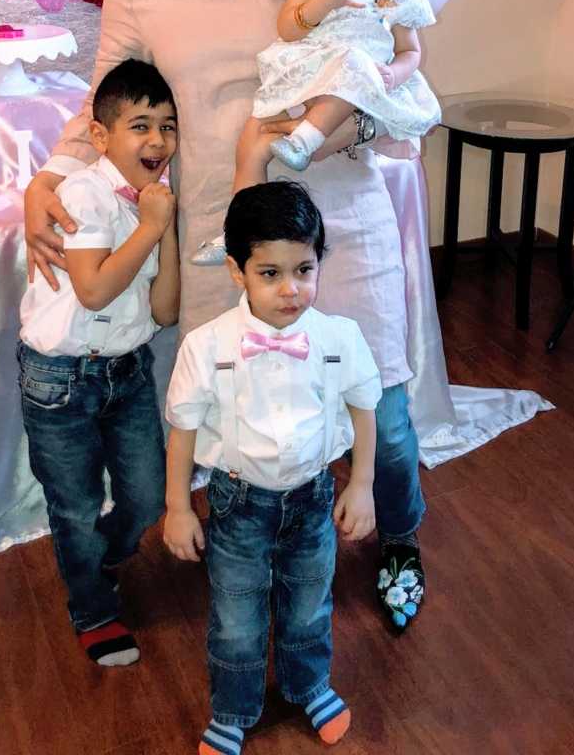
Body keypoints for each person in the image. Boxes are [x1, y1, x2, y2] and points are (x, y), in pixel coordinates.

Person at [24, 0, 429, 631]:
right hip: (223, 233)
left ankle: (400, 538)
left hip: (338, 211)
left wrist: (364, 112)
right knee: (249, 414)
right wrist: (48, 179)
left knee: (380, 413)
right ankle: (263, 556)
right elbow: (105, 102)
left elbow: (390, 54)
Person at [164, 182, 381, 755]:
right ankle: (234, 709)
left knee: (310, 601)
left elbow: (363, 405)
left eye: (304, 269)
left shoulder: (339, 337)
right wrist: (179, 507)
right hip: (238, 504)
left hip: (312, 497)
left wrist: (361, 484)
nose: (291, 289)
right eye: (269, 273)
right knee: (237, 616)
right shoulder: (207, 345)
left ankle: (308, 684)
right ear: (237, 271)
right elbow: (183, 428)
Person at [18, 58, 179, 666]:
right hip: (58, 377)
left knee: (147, 496)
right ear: (102, 135)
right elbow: (92, 289)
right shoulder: (83, 191)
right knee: (76, 504)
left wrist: (166, 228)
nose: (158, 140)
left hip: (127, 368)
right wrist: (153, 224)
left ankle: (101, 558)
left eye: (168, 126)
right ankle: (91, 608)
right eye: (141, 125)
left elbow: (164, 311)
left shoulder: (154, 201)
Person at [191, 0, 441, 264]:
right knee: (252, 142)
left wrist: (396, 73)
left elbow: (410, 50)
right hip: (304, 72)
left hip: (354, 87)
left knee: (355, 66)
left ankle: (308, 138)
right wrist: (323, 0)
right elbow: (288, 28)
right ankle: (236, 231)